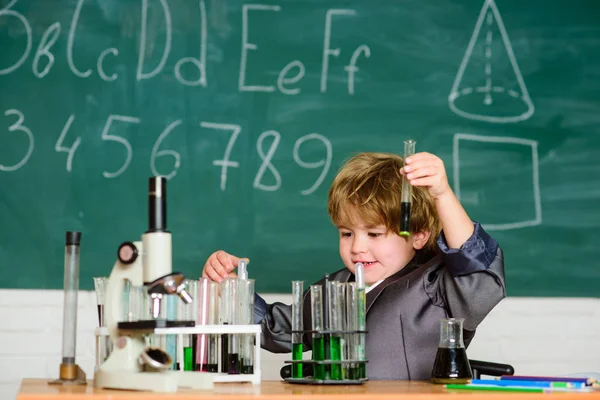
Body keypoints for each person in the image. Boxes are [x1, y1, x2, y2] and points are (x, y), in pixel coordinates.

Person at [202, 151, 505, 380]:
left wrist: (442, 194)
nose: (358, 247)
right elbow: (276, 330)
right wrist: (231, 288)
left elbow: (478, 273)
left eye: (374, 234)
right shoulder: (334, 290)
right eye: (346, 233)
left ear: (418, 235)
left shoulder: (437, 285)